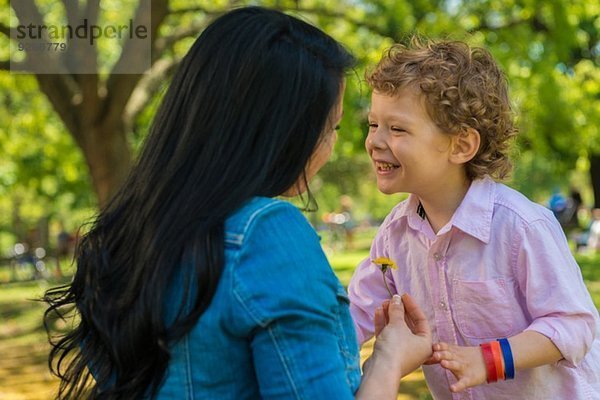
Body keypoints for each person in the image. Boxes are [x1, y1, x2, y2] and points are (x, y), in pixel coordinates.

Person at [43, 7, 433, 400]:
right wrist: (388, 359)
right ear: (282, 132)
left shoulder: (126, 235)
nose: (332, 145)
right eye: (331, 127)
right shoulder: (265, 236)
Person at [348, 37, 600, 399]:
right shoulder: (394, 235)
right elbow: (355, 312)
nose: (374, 141)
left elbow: (573, 325)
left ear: (462, 145)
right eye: (373, 125)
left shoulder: (521, 227)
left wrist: (489, 360)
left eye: (397, 128)